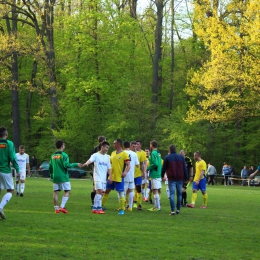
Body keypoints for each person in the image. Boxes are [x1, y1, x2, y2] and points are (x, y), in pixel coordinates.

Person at [49, 140, 82, 214]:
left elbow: (50, 167)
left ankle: (56, 209)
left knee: (56, 192)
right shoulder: (64, 155)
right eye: (64, 145)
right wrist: (75, 164)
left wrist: (51, 175)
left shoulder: (52, 155)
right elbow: (66, 165)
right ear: (62, 146)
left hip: (55, 177)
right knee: (68, 191)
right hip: (63, 176)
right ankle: (62, 206)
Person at [102, 139, 130, 215]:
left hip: (119, 177)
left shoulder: (124, 154)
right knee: (106, 191)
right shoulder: (113, 153)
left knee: (121, 193)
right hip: (111, 177)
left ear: (119, 144)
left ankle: (122, 209)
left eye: (114, 143)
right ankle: (101, 206)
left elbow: (128, 165)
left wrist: (125, 172)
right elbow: (110, 164)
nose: (113, 145)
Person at [83, 141, 112, 214]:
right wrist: (86, 164)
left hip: (104, 178)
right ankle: (99, 208)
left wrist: (111, 176)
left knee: (101, 193)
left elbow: (109, 168)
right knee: (99, 191)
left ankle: (95, 208)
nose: (107, 149)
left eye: (108, 148)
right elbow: (90, 160)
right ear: (102, 146)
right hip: (97, 177)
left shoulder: (107, 157)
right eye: (106, 147)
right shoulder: (95, 155)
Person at [0, 127, 20, 219]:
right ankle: (0, 207)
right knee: (11, 190)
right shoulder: (9, 144)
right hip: (5, 170)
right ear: (6, 134)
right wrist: (18, 170)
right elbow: (12, 158)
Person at [162, 145, 188, 216]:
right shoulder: (181, 157)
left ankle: (172, 210)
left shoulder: (167, 157)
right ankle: (178, 209)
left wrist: (162, 175)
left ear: (169, 150)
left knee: (172, 194)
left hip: (171, 178)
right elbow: (185, 169)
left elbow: (164, 168)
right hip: (180, 178)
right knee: (179, 194)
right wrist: (186, 178)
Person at [90, 136, 106, 208]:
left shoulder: (95, 149)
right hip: (98, 172)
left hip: (97, 171)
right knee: (97, 189)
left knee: (96, 188)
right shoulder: (98, 149)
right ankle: (95, 205)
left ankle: (95, 204)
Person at [124, 141, 139, 211]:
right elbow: (137, 165)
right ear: (129, 146)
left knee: (123, 190)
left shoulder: (123, 153)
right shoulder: (134, 154)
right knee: (131, 190)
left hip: (124, 173)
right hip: (132, 174)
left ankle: (122, 206)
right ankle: (130, 207)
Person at [147, 140, 162, 212]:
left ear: (152, 145)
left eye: (150, 145)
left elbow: (155, 163)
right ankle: (156, 206)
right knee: (156, 190)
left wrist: (148, 168)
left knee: (155, 191)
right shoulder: (158, 153)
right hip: (158, 174)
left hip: (154, 174)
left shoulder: (153, 153)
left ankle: (157, 207)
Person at [133, 140, 147, 210]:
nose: (136, 146)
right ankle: (133, 203)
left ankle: (139, 204)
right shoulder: (130, 153)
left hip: (138, 174)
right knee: (131, 189)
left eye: (138, 144)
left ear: (140, 145)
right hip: (131, 174)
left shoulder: (142, 153)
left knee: (138, 188)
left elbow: (143, 163)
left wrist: (144, 172)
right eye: (135, 145)